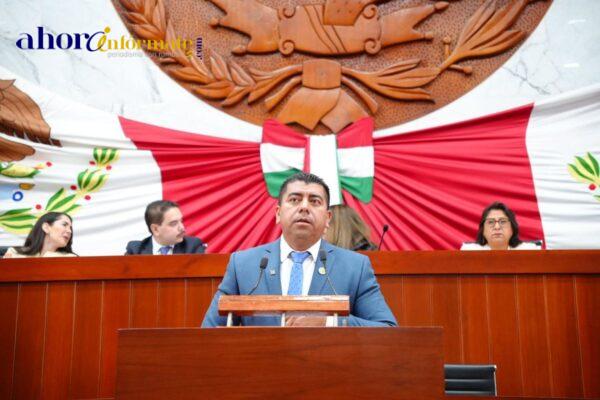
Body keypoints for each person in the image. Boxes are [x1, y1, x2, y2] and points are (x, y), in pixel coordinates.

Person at [202, 172, 397, 327]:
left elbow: (386, 328)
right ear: (278, 213)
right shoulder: (243, 265)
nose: (304, 207)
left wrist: (328, 322)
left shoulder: (355, 267)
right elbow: (209, 333)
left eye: (314, 201)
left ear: (328, 218)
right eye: (295, 200)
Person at [125, 200, 205, 255]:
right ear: (155, 229)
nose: (182, 227)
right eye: (174, 223)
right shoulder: (135, 250)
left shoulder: (193, 246)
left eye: (181, 221)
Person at [461, 201, 540, 250]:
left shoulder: (529, 250)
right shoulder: (468, 251)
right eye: (491, 222)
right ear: (483, 230)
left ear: (512, 228)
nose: (497, 227)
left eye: (503, 221)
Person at [2, 212, 77, 258]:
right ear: (46, 227)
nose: (69, 231)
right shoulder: (14, 253)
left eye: (70, 228)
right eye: (64, 225)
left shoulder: (71, 259)